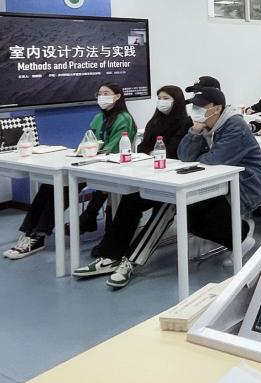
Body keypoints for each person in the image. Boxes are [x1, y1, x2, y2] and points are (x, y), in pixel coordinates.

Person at [73, 87, 261, 287]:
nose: (196, 110)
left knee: (170, 203)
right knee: (133, 199)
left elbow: (213, 160)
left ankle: (130, 262)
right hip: (207, 181)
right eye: (195, 105)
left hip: (245, 185)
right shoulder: (201, 125)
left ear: (217, 108)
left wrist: (198, 156)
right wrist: (194, 132)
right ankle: (109, 255)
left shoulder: (234, 125)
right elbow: (185, 156)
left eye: (202, 106)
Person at [70, 86, 194, 285]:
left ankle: (130, 262)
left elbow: (173, 151)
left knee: (163, 209)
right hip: (150, 176)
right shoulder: (155, 121)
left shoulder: (186, 122)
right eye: (159, 97)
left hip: (173, 182)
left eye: (166, 98)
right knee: (129, 202)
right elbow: (143, 147)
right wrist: (153, 153)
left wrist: (154, 152)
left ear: (177, 101)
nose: (161, 101)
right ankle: (109, 256)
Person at [4, 83, 138, 260]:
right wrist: (82, 152)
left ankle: (39, 234)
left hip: (107, 167)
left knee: (64, 188)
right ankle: (28, 233)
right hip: (88, 163)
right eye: (99, 93)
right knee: (49, 186)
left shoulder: (124, 118)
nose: (102, 97)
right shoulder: (98, 117)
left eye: (106, 93)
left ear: (118, 96)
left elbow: (113, 149)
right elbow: (88, 141)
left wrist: (90, 152)